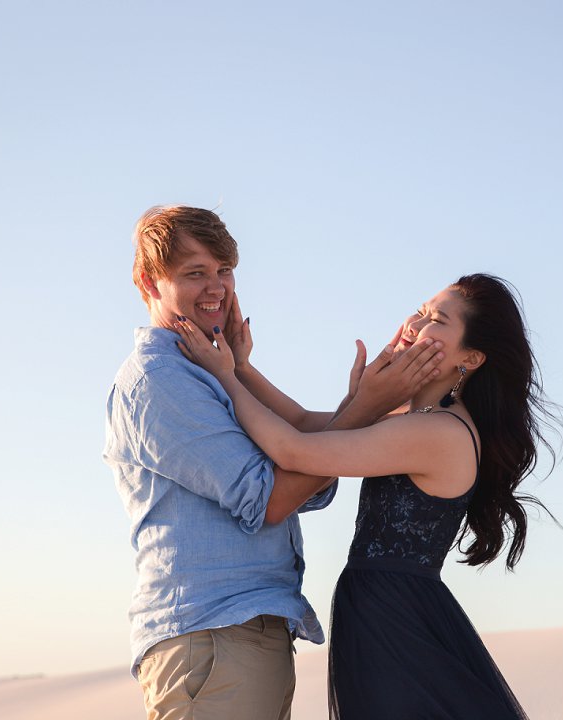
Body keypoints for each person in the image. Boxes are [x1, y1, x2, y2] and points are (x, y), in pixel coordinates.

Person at [103, 205, 443, 720]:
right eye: (195, 273)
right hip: (212, 640)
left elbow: (309, 462)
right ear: (149, 284)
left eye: (224, 270)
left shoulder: (210, 371)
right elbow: (272, 498)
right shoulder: (161, 380)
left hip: (240, 637)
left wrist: (242, 371)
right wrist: (367, 407)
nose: (216, 287)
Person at [176, 273, 563, 720]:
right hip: (382, 609)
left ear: (471, 357)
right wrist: (242, 367)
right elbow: (304, 421)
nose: (416, 324)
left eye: (437, 320)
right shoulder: (416, 418)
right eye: (420, 310)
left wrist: (223, 376)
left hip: (396, 620)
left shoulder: (438, 432)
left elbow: (293, 450)